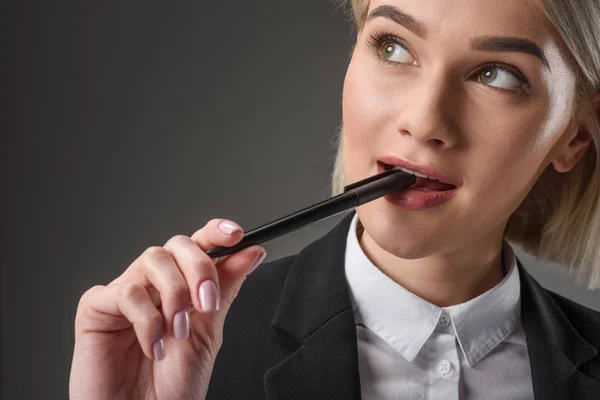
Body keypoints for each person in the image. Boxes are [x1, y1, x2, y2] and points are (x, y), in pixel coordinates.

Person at [69, 0, 600, 398]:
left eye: (496, 75)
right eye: (393, 47)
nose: (424, 120)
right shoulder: (193, 354)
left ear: (574, 136)